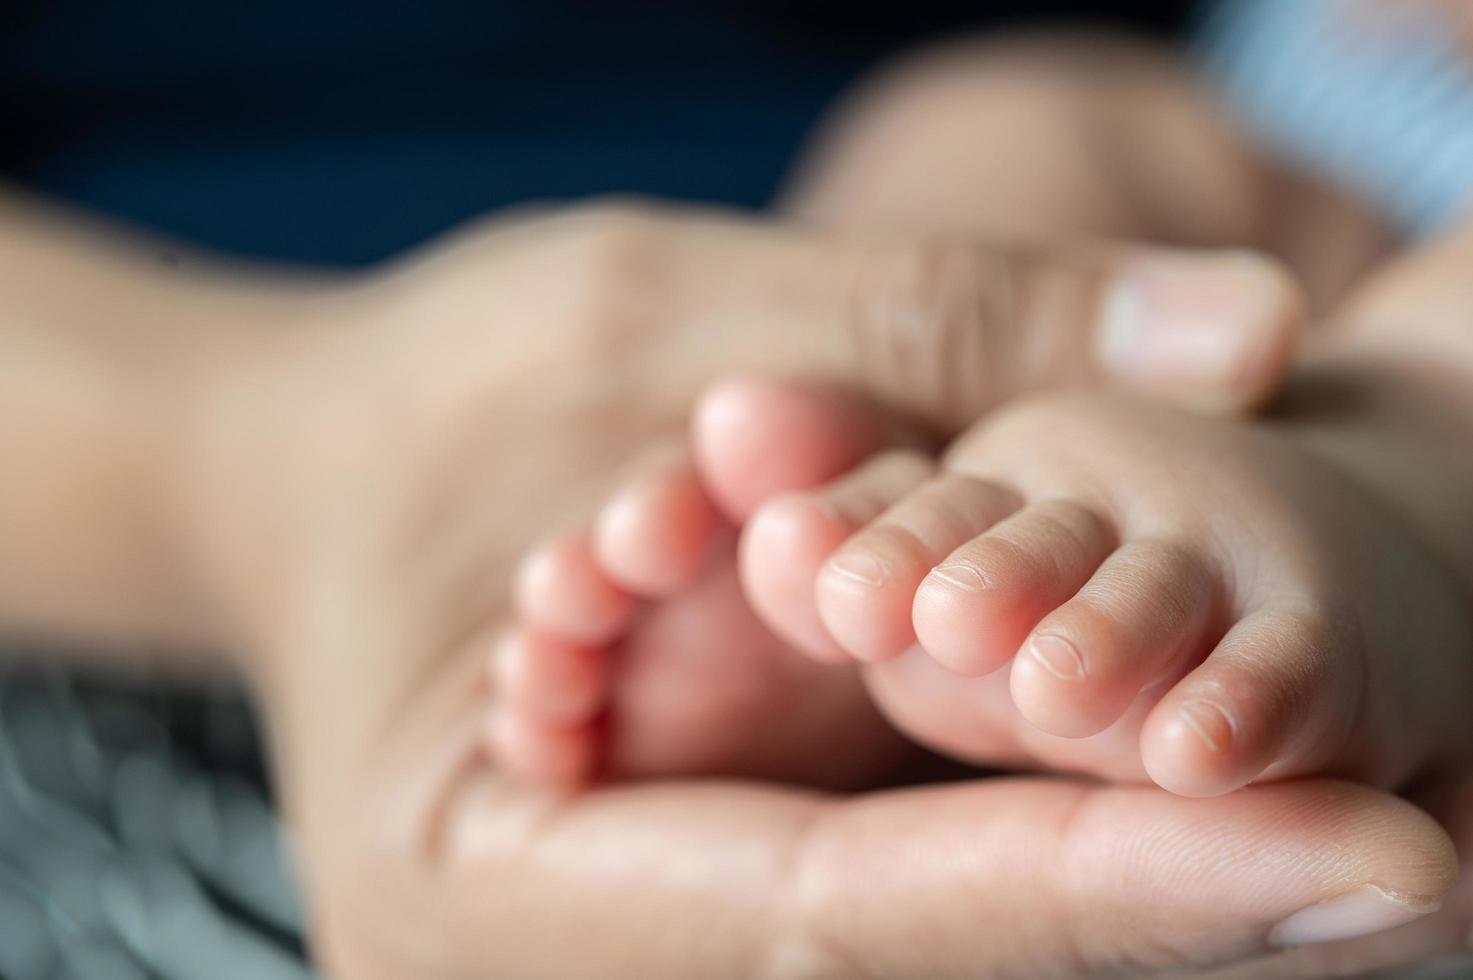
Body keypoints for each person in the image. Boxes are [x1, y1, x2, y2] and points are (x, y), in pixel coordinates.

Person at [1, 10, 1468, 980]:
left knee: (1402, 354)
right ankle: (882, 462)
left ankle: (1374, 484)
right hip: (1300, 139)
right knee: (1021, 122)